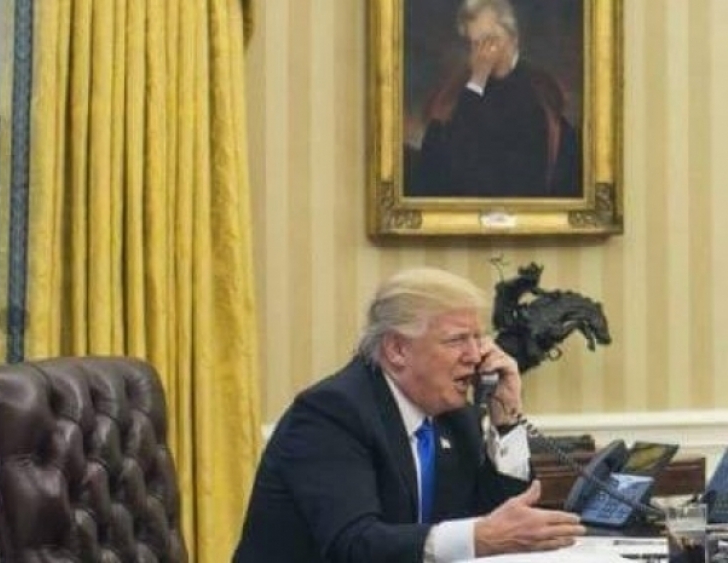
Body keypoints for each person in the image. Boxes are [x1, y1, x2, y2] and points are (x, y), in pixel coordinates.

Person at [233, 267, 585, 562]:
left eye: (478, 338)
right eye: (457, 340)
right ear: (397, 349)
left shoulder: (455, 417)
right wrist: (477, 537)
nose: (476, 355)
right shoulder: (331, 414)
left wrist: (506, 421)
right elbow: (354, 544)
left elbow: (501, 521)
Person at [410, 0, 580, 198]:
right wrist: (477, 81)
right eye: (475, 44)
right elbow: (449, 156)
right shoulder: (459, 88)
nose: (482, 53)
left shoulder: (540, 89)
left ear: (513, 38)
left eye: (490, 40)